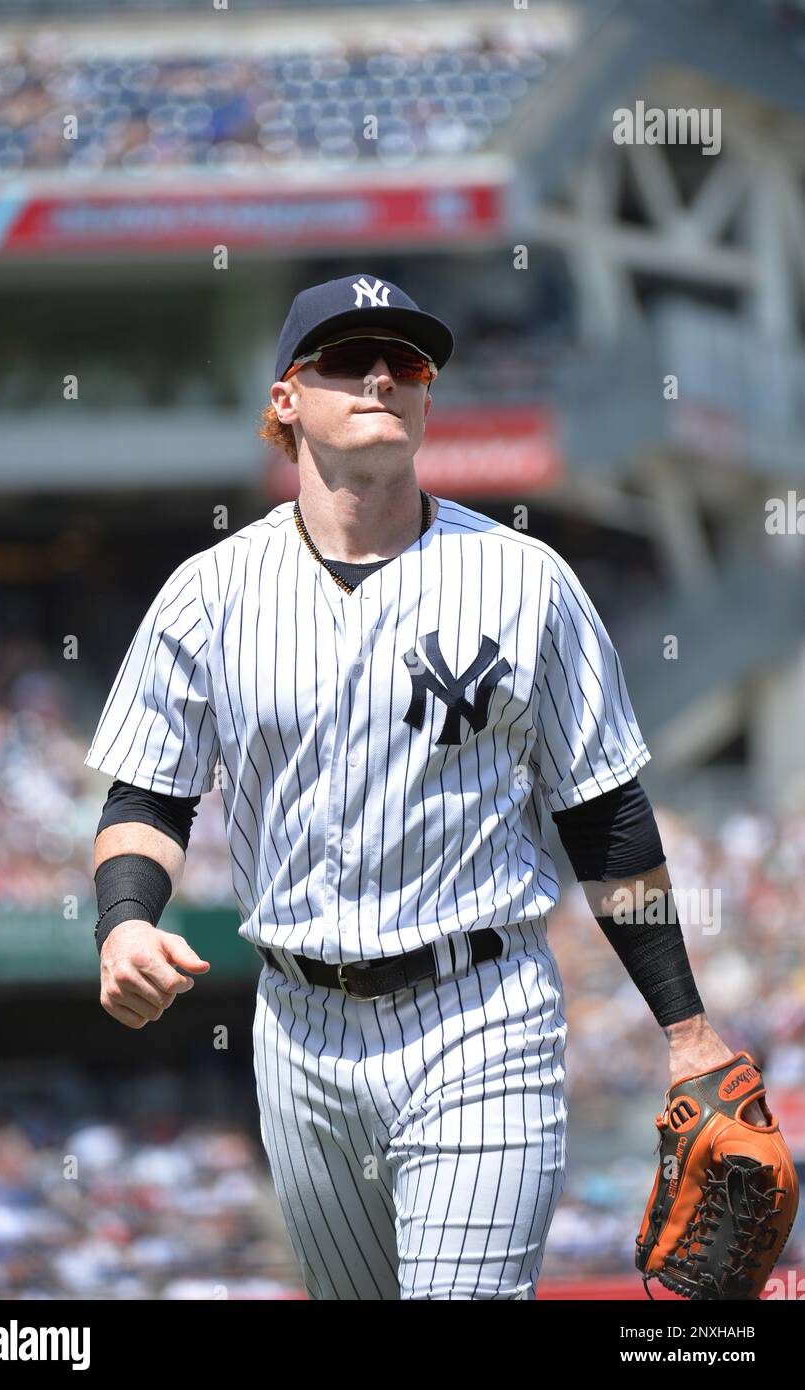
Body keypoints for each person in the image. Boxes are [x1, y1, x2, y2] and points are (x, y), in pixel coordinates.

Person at [85, 272, 766, 1301]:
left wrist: (683, 1026)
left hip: (478, 1011)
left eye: (402, 362)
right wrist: (125, 921)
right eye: (346, 359)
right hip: (298, 1026)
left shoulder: (524, 578)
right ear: (285, 399)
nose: (378, 377)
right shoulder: (210, 592)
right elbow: (147, 795)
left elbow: (605, 817)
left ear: (426, 397)